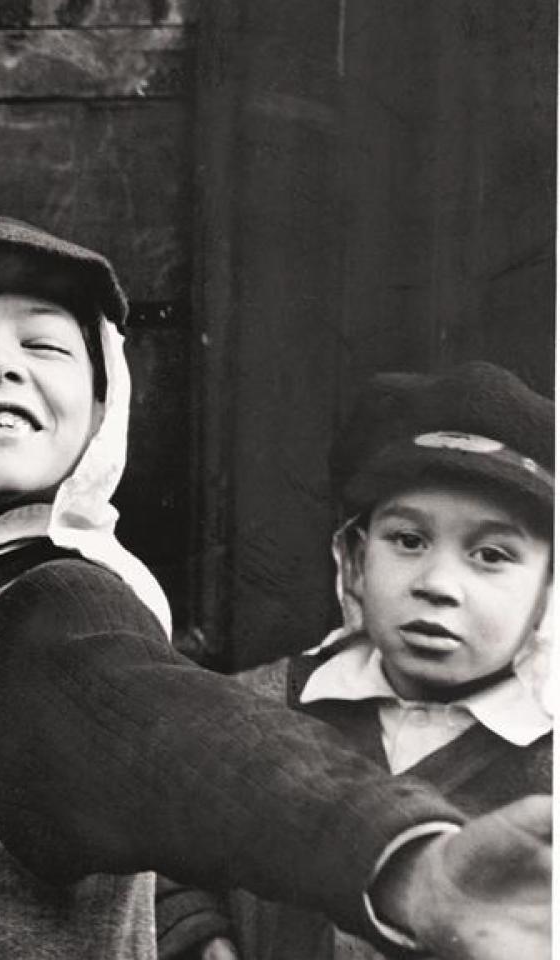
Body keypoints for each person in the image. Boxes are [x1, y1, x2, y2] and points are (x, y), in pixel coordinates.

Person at [0, 215, 551, 959]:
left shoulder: (50, 616)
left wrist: (409, 862)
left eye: (44, 344)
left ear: (98, 419)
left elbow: (207, 747)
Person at [157, 361, 554, 960]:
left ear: (549, 590)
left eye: (491, 555)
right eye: (408, 541)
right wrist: (198, 934)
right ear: (354, 559)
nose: (438, 584)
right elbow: (162, 847)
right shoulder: (252, 706)